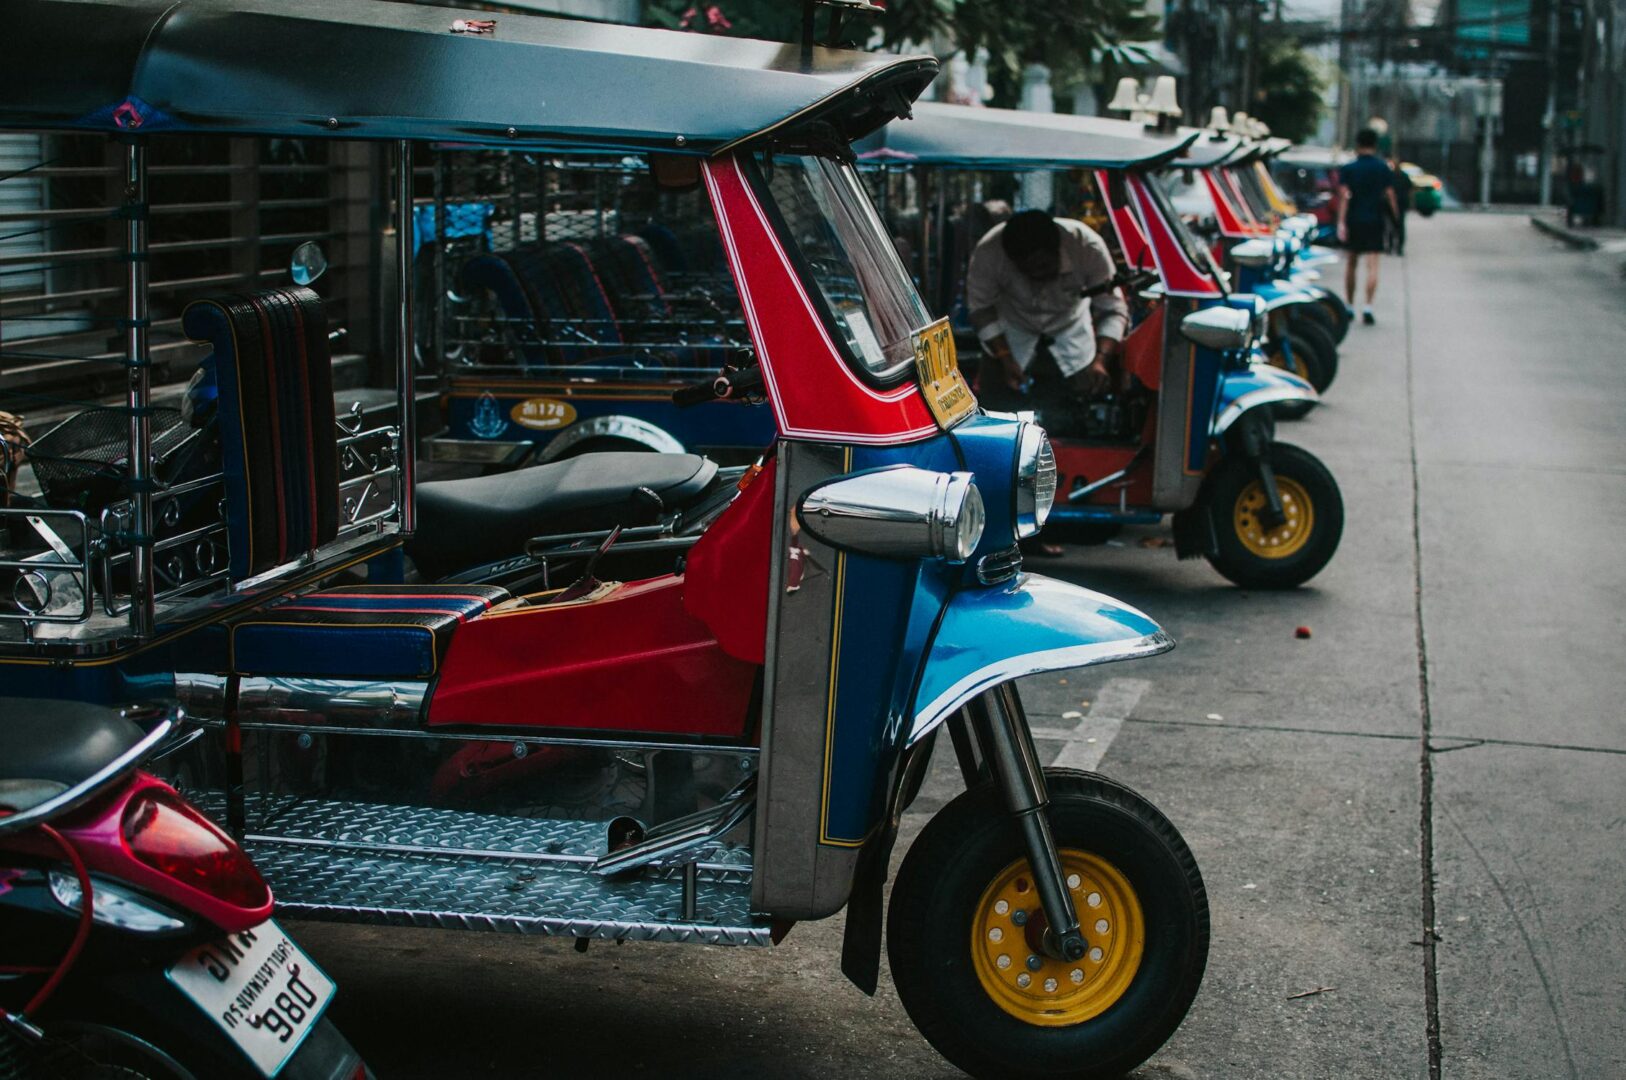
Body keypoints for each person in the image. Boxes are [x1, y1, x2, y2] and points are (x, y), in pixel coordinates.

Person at [966, 209, 1128, 402]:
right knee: (995, 415)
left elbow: (1112, 309)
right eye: (1027, 270)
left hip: (1073, 346)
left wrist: (1101, 360)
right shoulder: (989, 252)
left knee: (1076, 418)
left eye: (1043, 266)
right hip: (1008, 340)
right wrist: (1005, 358)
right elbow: (981, 310)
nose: (1037, 275)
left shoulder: (1087, 247)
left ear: (1057, 250)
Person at [1337, 129, 1398, 325]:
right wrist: (1396, 219)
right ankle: (1368, 306)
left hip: (1354, 219)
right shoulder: (1383, 168)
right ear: (1375, 144)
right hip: (1375, 219)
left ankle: (1349, 305)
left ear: (1358, 143)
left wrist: (1341, 222)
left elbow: (1344, 196)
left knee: (1351, 263)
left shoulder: (1349, 168)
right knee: (1373, 264)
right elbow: (1390, 195)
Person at [1387, 157, 1413, 256]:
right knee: (1398, 226)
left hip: (1395, 204)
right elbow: (1410, 191)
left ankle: (1392, 247)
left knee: (1392, 226)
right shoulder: (1403, 176)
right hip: (1400, 203)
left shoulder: (1391, 176)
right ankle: (1397, 247)